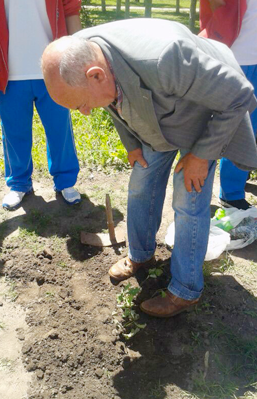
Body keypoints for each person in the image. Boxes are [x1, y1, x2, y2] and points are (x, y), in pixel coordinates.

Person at [41, 18, 257, 318]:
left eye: (81, 105)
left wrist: (201, 156)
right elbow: (111, 101)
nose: (86, 112)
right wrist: (131, 142)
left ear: (96, 75)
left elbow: (241, 94)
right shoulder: (86, 52)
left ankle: (185, 291)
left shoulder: (166, 57)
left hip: (204, 110)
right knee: (141, 184)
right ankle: (140, 255)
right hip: (156, 107)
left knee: (188, 200)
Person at [0, 0, 82, 210]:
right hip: (8, 72)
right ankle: (19, 183)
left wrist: (77, 61)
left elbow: (71, 10)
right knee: (14, 133)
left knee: (60, 130)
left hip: (54, 69)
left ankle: (65, 181)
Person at [200, 0, 257, 210]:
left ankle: (238, 183)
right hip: (236, 57)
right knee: (239, 129)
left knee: (252, 128)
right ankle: (230, 194)